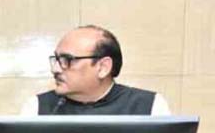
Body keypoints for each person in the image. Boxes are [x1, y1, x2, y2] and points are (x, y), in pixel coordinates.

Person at [21, 26, 172, 118]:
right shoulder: (37, 108)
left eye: (67, 59)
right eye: (57, 59)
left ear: (103, 67)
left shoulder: (149, 107)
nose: (55, 69)